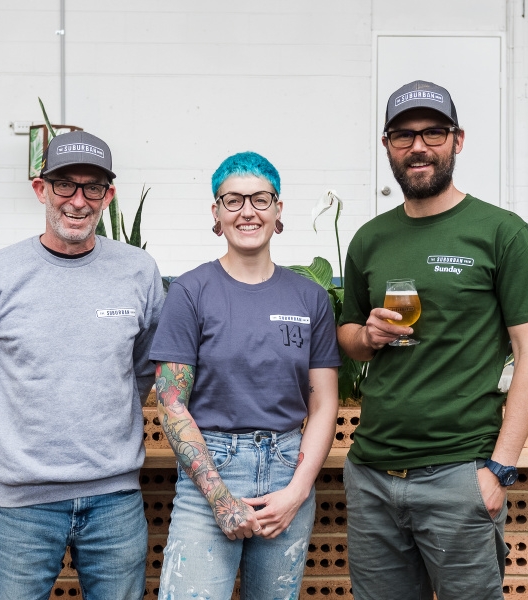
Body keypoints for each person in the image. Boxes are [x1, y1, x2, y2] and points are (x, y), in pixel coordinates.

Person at [337, 80, 528, 600]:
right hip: (371, 473)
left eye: (433, 132)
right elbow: (347, 335)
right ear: (388, 145)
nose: (418, 146)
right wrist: (366, 335)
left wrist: (500, 468)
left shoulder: (500, 232)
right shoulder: (370, 237)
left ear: (458, 140)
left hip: (459, 472)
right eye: (403, 135)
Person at [0, 130, 164, 600]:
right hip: (22, 504)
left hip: (114, 500)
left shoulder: (138, 271)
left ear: (108, 196)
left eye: (93, 187)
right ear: (40, 189)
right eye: (64, 185)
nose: (78, 201)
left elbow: (142, 368)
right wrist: (25, 423)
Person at [149, 151, 341, 600]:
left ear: (278, 211)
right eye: (232, 201)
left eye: (260, 199)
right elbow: (171, 402)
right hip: (210, 473)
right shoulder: (191, 291)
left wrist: (297, 490)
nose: (247, 211)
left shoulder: (309, 297)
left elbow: (324, 402)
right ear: (215, 215)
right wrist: (219, 498)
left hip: (288, 470)